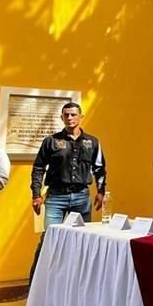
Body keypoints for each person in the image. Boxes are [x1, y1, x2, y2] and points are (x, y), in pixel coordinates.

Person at [29, 102, 106, 282]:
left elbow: (100, 169)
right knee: (49, 239)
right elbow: (38, 168)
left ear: (81, 116)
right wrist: (36, 194)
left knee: (82, 240)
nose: (70, 118)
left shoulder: (92, 142)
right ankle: (35, 283)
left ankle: (78, 282)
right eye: (66, 115)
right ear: (61, 117)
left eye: (73, 114)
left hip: (81, 197)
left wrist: (101, 192)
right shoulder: (51, 141)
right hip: (56, 197)